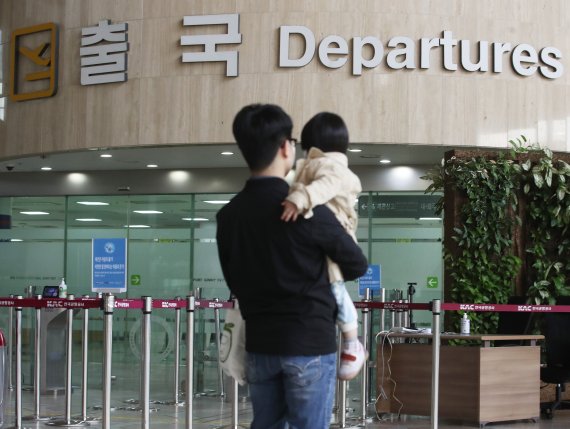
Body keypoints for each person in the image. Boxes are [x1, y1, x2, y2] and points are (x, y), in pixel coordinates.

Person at [216, 104, 368, 429]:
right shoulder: (307, 208)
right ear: (286, 147)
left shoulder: (229, 216)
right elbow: (356, 264)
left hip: (260, 346)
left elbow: (235, 282)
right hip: (309, 343)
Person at [281, 112, 366, 380]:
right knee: (333, 288)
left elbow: (324, 187)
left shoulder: (329, 168)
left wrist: (299, 198)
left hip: (336, 235)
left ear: (312, 146)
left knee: (336, 289)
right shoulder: (319, 165)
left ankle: (353, 341)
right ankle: (351, 341)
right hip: (323, 238)